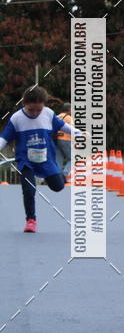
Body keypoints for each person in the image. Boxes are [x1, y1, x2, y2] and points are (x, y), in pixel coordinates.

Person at [0, 86, 83, 232]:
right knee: (29, 189)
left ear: (43, 105)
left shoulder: (48, 114)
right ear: (24, 103)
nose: (35, 113)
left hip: (46, 159)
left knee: (58, 186)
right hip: (26, 160)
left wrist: (79, 133)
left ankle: (61, 176)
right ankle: (31, 220)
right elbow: (5, 138)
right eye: (31, 109)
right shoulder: (17, 118)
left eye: (39, 110)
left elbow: (63, 127)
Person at [55, 103, 73, 176]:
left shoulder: (57, 117)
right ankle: (64, 174)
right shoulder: (68, 118)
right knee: (73, 159)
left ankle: (57, 176)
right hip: (66, 140)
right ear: (69, 110)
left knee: (58, 160)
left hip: (57, 140)